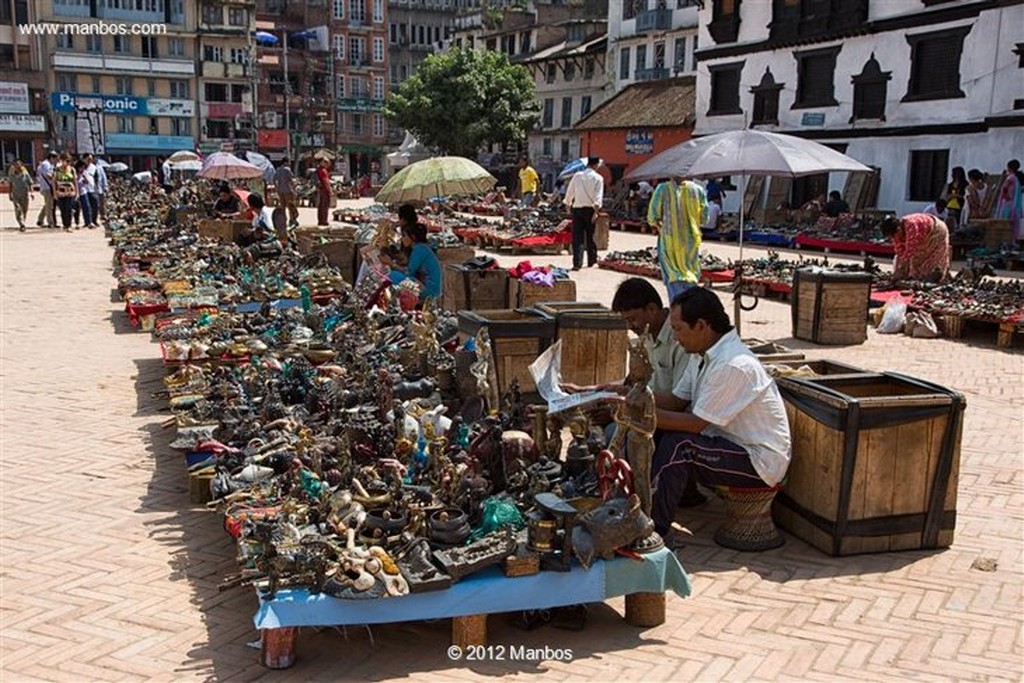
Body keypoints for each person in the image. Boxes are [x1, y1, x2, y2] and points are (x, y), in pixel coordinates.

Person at [649, 288, 791, 538]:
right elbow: (674, 401)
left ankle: (654, 530)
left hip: (759, 461)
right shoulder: (702, 354)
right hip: (727, 444)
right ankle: (662, 501)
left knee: (680, 446)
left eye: (678, 328)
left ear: (701, 326)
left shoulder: (733, 364)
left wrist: (638, 412)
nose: (674, 336)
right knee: (659, 432)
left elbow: (695, 425)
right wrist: (631, 395)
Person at [647, 176, 707, 300]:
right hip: (691, 241)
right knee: (690, 273)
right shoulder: (698, 190)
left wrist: (660, 224)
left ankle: (678, 311)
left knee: (673, 275)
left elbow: (652, 217)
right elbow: (704, 219)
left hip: (669, 241)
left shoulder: (662, 189)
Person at [385, 204, 442, 303]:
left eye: (404, 236)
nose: (402, 239)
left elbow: (408, 272)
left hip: (429, 290)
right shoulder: (420, 248)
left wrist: (391, 263)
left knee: (393, 276)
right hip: (423, 284)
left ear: (413, 238)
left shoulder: (419, 249)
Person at [880, 213, 951, 282]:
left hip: (937, 231)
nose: (893, 238)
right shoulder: (895, 233)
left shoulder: (911, 225)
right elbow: (900, 252)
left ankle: (937, 277)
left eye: (893, 236)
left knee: (931, 261)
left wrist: (900, 268)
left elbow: (909, 251)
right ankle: (915, 278)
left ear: (898, 229)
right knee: (915, 262)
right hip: (923, 236)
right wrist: (897, 271)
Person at [563, 156, 604, 270]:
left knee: (577, 237)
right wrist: (596, 212)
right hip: (590, 210)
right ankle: (592, 261)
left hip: (577, 209)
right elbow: (598, 197)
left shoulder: (577, 176)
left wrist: (568, 203)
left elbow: (570, 191)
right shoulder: (598, 178)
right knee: (590, 236)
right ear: (596, 165)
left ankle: (577, 263)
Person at [995, 159, 1023, 242]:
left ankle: (1005, 240)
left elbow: (1004, 188)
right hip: (1011, 203)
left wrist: (1006, 196)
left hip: (1008, 204)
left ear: (1009, 167)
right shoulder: (1016, 178)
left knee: (1005, 222)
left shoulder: (1011, 177)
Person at [53, 156, 77, 231]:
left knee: (68, 209)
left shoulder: (72, 170)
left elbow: (75, 181)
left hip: (70, 192)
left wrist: (77, 192)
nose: (66, 163)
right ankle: (65, 224)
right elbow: (53, 182)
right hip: (60, 192)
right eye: (65, 161)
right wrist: (54, 193)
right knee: (62, 209)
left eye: (68, 161)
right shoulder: (57, 170)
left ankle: (69, 225)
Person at [7, 160, 32, 231]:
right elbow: (10, 185)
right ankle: (22, 224)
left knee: (24, 209)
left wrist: (31, 193)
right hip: (16, 195)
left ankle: (22, 221)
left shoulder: (25, 174)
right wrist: (10, 194)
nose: (17, 166)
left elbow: (30, 183)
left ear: (21, 165)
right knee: (18, 209)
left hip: (25, 194)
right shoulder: (12, 175)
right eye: (16, 165)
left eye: (19, 164)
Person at [274, 157, 298, 228]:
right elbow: (291, 180)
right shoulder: (287, 170)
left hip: (281, 191)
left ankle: (283, 220)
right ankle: (291, 220)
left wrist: (277, 189)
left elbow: (275, 180)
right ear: (285, 162)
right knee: (290, 206)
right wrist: (294, 189)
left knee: (283, 207)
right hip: (288, 190)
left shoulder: (278, 170)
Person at [36, 150, 57, 228]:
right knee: (49, 206)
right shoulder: (46, 164)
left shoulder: (46, 164)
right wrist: (55, 176)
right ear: (51, 158)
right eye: (55, 159)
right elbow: (49, 175)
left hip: (46, 186)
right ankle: (50, 222)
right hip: (47, 187)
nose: (55, 161)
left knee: (48, 204)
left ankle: (40, 219)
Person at [74, 160, 97, 229]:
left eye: (84, 167)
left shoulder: (84, 172)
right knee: (76, 208)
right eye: (81, 167)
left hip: (83, 191)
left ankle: (88, 222)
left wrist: (85, 178)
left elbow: (88, 182)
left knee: (86, 206)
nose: (82, 169)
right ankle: (76, 222)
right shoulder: (74, 172)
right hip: (75, 192)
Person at [317, 158, 332, 226]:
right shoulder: (323, 171)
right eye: (327, 163)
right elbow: (326, 182)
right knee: (325, 206)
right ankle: (324, 220)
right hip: (324, 190)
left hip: (321, 190)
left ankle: (320, 220)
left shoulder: (319, 170)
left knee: (321, 206)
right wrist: (329, 190)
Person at [93, 158, 108, 224]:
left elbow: (104, 178)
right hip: (92, 188)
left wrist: (105, 187)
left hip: (100, 188)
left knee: (102, 203)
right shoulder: (89, 167)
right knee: (95, 204)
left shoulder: (100, 168)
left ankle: (103, 215)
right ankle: (95, 217)